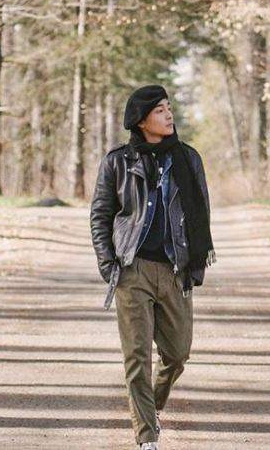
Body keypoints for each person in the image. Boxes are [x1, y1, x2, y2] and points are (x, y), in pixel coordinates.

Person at [89, 84, 216, 450]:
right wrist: (108, 264)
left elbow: (201, 214)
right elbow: (101, 215)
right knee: (137, 357)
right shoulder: (118, 161)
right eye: (160, 110)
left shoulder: (188, 159)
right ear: (142, 120)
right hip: (133, 269)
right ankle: (146, 437)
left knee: (177, 355)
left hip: (175, 270)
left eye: (169, 107)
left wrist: (195, 266)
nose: (169, 114)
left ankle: (151, 407)